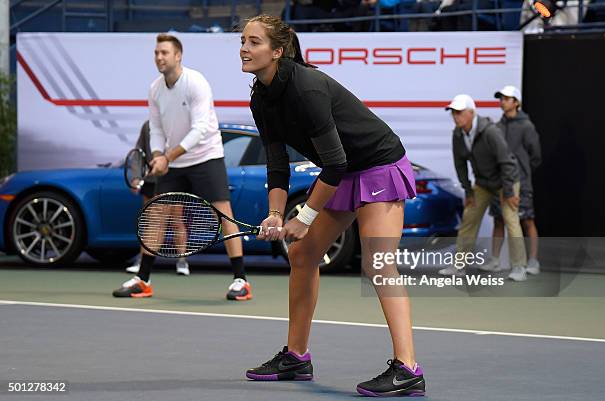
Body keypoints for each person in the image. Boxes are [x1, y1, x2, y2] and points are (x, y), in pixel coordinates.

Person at [240, 15, 425, 397]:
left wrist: (304, 217)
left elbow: (336, 162)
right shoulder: (260, 96)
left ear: (277, 51)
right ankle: (296, 355)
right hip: (345, 168)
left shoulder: (306, 89)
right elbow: (277, 163)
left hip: (377, 163)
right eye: (243, 41)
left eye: (254, 42)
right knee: (303, 254)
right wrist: (276, 214)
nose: (244, 48)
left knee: (377, 263)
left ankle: (408, 368)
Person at [112, 33, 252, 301]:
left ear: (178, 56)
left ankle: (241, 280)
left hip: (206, 156)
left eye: (164, 52)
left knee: (224, 213)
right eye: (156, 53)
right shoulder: (155, 89)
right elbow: (155, 128)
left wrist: (168, 156)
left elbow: (200, 129)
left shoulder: (196, 83)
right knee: (157, 215)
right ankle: (143, 279)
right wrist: (156, 154)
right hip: (174, 162)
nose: (159, 57)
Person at [439, 94, 529, 281]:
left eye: (459, 112)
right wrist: (468, 191)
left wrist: (509, 192)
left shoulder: (490, 132)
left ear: (471, 113)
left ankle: (519, 266)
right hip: (483, 184)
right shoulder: (457, 134)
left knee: (511, 220)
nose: (456, 116)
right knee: (468, 219)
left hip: (507, 181)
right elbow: (460, 164)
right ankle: (459, 265)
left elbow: (507, 162)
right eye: (453, 113)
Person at [480, 86, 542, 274]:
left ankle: (532, 261)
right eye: (501, 99)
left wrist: (521, 172)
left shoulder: (527, 126)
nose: (503, 102)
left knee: (527, 220)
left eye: (507, 99)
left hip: (521, 183)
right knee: (499, 220)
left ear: (516, 102)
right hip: (500, 183)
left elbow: (535, 155)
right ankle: (495, 260)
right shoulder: (497, 127)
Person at [125, 120, 190, 276]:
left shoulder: (179, 123)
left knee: (176, 221)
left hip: (174, 179)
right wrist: (135, 177)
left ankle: (182, 261)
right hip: (151, 180)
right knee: (150, 222)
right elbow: (138, 153)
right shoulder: (148, 125)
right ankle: (142, 261)